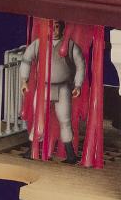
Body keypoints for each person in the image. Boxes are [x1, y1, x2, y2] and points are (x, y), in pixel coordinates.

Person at [20, 20, 85, 163]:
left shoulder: (70, 45)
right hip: (43, 88)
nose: (54, 30)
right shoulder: (39, 44)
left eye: (57, 27)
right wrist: (24, 80)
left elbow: (80, 65)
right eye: (52, 27)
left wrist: (78, 85)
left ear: (62, 28)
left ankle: (70, 154)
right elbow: (26, 60)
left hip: (63, 88)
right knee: (39, 119)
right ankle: (32, 149)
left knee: (65, 120)